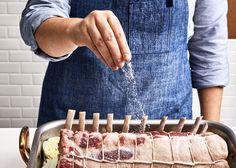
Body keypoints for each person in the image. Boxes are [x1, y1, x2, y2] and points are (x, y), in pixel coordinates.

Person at [20, 0, 229, 127]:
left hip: (169, 132)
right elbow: (37, 20)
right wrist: (75, 30)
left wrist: (212, 135)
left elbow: (208, 45)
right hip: (74, 129)